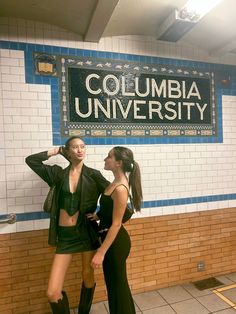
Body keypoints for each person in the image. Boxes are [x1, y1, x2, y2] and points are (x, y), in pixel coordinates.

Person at [25, 136, 109, 314]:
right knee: (52, 292)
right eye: (75, 147)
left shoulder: (93, 174)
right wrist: (56, 151)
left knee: (87, 276)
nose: (80, 150)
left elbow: (112, 196)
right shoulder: (57, 174)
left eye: (83, 147)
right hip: (65, 236)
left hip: (86, 232)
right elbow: (31, 160)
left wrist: (100, 214)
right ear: (68, 151)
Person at [89, 146, 143, 314]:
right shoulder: (114, 183)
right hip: (110, 239)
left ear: (119, 163)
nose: (105, 159)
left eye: (109, 157)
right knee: (115, 287)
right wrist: (97, 217)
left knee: (118, 288)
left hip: (115, 243)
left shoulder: (120, 188)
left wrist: (101, 252)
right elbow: (110, 211)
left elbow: (117, 224)